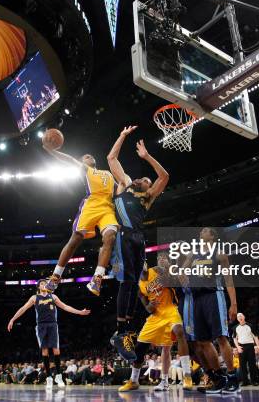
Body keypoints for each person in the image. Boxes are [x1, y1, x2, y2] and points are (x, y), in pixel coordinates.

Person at [106, 126, 169, 358]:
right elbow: (111, 157)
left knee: (134, 283)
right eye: (141, 177)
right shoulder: (124, 184)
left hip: (139, 239)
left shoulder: (148, 197)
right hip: (124, 235)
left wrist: (147, 157)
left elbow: (164, 177)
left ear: (148, 186)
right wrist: (122, 136)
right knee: (125, 283)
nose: (143, 178)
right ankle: (120, 330)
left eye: (146, 179)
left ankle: (125, 332)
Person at [42, 143, 119, 296]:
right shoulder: (86, 170)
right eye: (85, 157)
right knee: (75, 239)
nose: (89, 156)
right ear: (82, 163)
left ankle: (97, 278)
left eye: (90, 155)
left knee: (110, 237)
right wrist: (52, 151)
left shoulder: (108, 174)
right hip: (90, 206)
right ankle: (56, 276)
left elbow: (121, 190)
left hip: (107, 209)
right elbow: (69, 159)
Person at [118, 254, 194, 392]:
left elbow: (173, 280)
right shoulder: (140, 287)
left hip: (170, 309)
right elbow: (147, 307)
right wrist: (150, 306)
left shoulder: (158, 270)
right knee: (140, 348)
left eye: (142, 262)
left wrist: (167, 266)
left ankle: (187, 376)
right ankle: (134, 381)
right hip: (156, 316)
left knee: (179, 332)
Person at [178, 227, 240, 394]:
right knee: (203, 341)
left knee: (221, 337)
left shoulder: (219, 254)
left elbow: (228, 279)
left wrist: (233, 304)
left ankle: (233, 378)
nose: (201, 232)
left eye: (205, 231)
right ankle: (219, 379)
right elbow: (182, 271)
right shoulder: (193, 253)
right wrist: (182, 275)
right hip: (197, 299)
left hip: (214, 295)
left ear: (212, 236)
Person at [7, 279, 90, 389]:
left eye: (45, 283)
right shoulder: (34, 298)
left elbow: (65, 306)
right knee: (45, 351)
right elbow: (23, 308)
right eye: (42, 283)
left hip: (52, 325)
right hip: (41, 326)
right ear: (38, 287)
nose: (44, 284)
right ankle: (49, 377)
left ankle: (59, 376)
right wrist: (12, 319)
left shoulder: (53, 297)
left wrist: (80, 312)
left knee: (56, 350)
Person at [233, 312, 259, 386]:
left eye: (241, 316)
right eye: (238, 316)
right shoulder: (236, 327)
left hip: (250, 346)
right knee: (242, 365)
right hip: (241, 347)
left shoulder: (250, 326)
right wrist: (238, 347)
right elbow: (234, 338)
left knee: (252, 364)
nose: (239, 317)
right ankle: (245, 381)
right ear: (237, 319)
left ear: (244, 317)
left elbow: (255, 336)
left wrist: (258, 345)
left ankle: (254, 381)